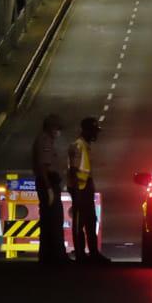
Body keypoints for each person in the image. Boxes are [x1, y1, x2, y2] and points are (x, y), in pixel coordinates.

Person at [67, 116, 111, 264]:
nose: (96, 135)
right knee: (80, 223)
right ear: (85, 130)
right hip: (79, 189)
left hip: (85, 187)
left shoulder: (85, 145)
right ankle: (80, 255)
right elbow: (73, 170)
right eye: (93, 131)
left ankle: (93, 254)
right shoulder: (78, 146)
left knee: (91, 220)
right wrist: (78, 191)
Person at [32, 113, 70, 265]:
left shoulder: (46, 140)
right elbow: (42, 166)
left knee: (50, 220)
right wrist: (48, 188)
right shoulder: (44, 141)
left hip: (49, 183)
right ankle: (56, 256)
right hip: (48, 184)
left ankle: (49, 256)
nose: (58, 132)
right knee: (54, 220)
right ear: (50, 128)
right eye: (57, 128)